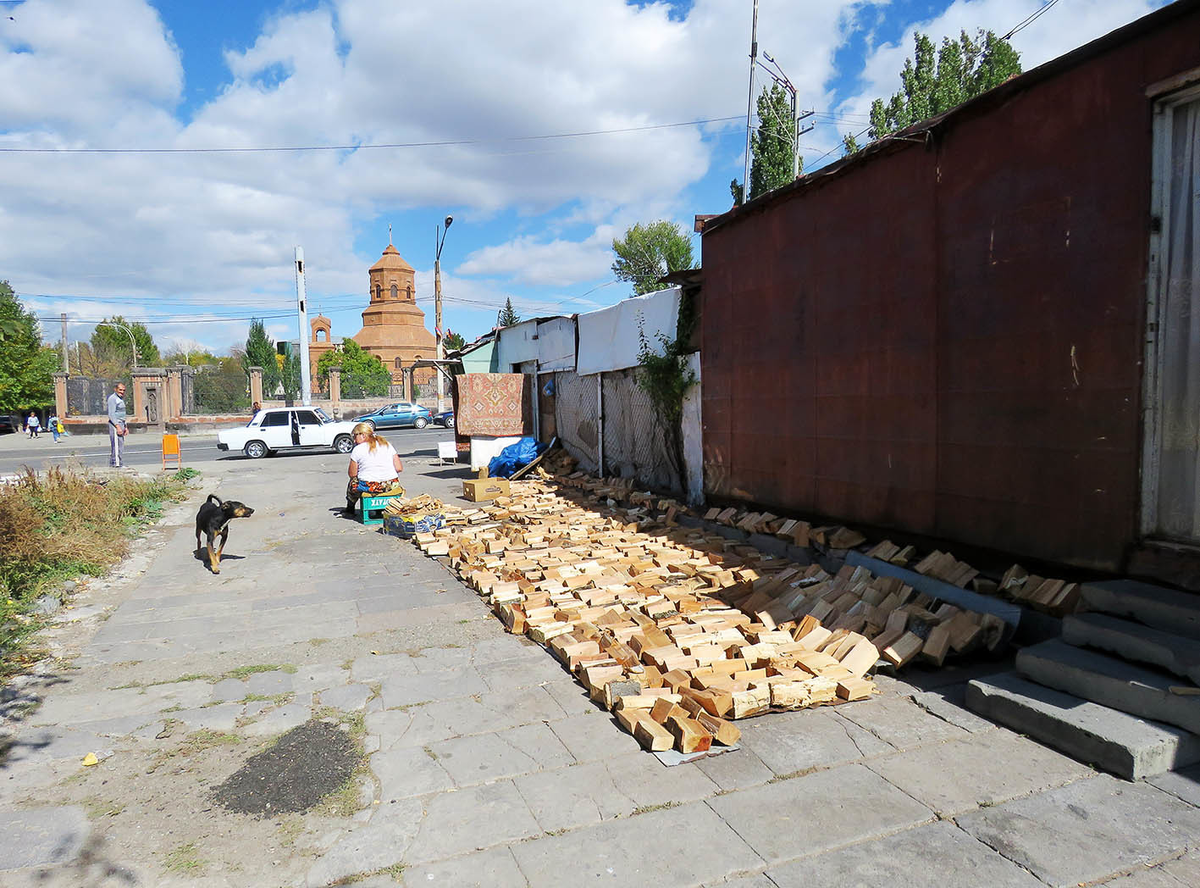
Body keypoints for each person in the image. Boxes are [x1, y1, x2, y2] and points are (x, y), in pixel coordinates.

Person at [345, 422, 404, 516]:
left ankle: (350, 508)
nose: (354, 440)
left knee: (353, 483)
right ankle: (380, 509)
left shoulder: (358, 449)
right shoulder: (387, 444)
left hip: (371, 485)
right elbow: (399, 468)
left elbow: (352, 474)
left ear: (363, 435)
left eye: (354, 436)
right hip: (391, 484)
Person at [107, 382, 128, 468]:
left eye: (123, 390)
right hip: (116, 424)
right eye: (120, 390)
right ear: (115, 389)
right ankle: (116, 463)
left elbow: (122, 413)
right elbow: (111, 414)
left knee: (120, 444)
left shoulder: (121, 399)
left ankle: (118, 462)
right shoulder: (113, 399)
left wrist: (125, 426)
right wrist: (117, 426)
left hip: (121, 423)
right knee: (116, 444)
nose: (122, 392)